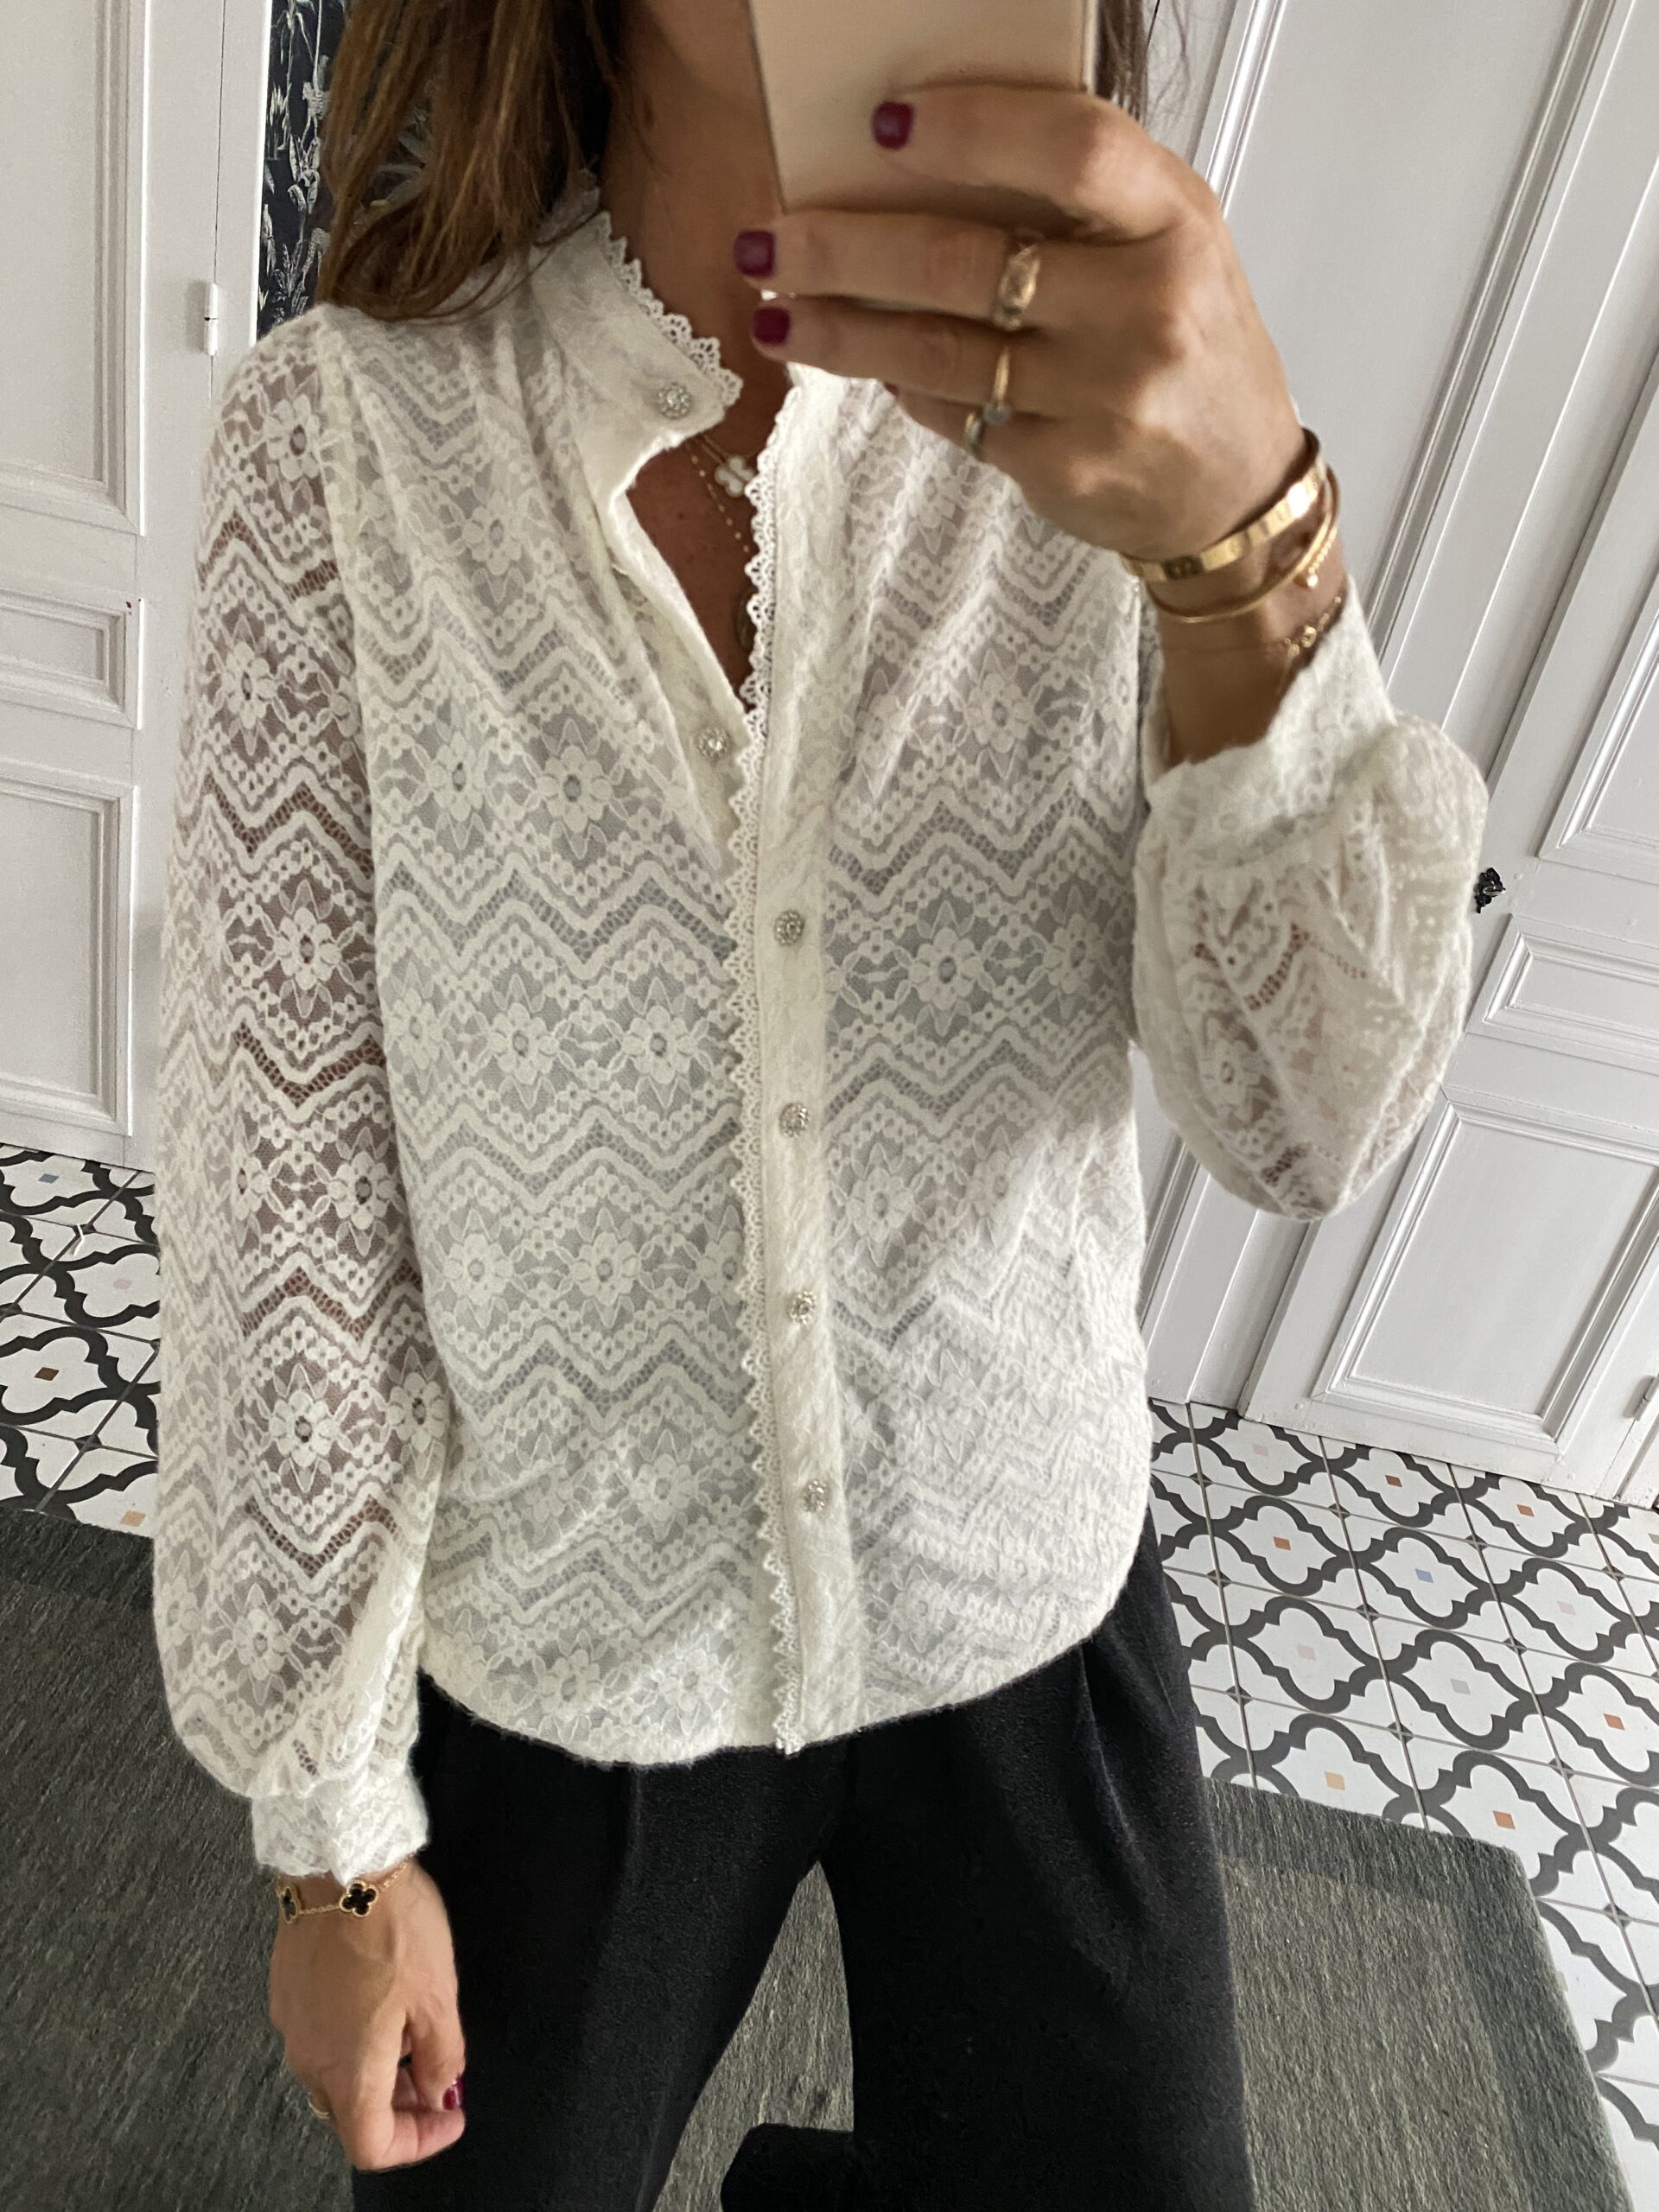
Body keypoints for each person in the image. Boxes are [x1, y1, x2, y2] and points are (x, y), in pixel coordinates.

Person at [151, 0, 1490, 2203]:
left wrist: (1247, 556)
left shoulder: (1145, 426)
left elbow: (1300, 1125)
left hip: (1023, 1583)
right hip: (569, 1627)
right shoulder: (350, 446)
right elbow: (286, 1187)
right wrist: (332, 1839)